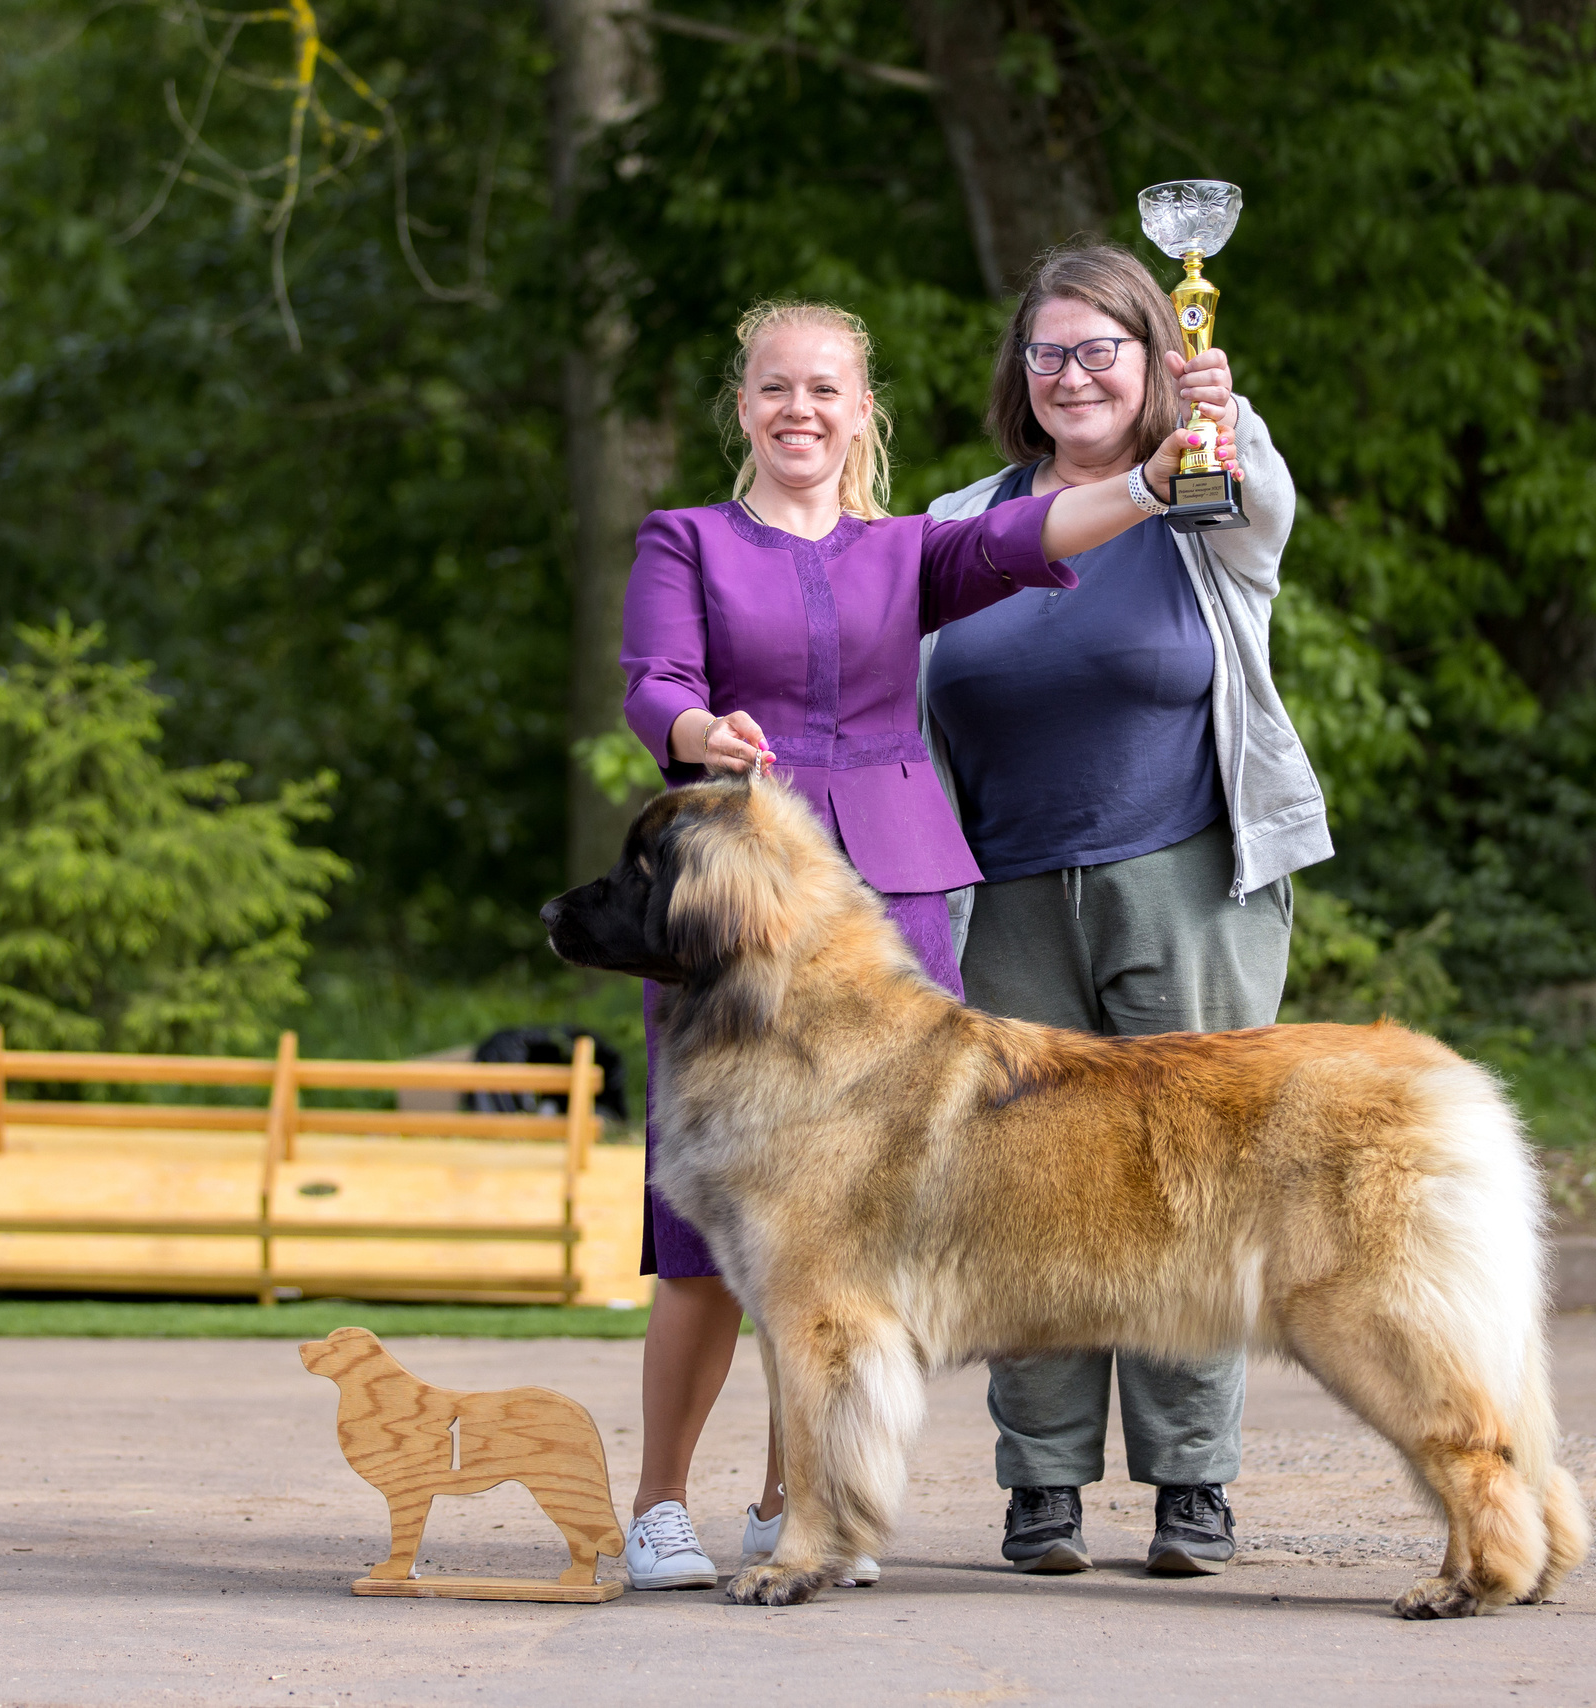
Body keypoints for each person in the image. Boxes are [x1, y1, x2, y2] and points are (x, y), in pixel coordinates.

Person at [614, 297, 1234, 1593]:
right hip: (734, 903)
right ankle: (659, 1506)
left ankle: (803, 1506)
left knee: (853, 1235)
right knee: (705, 1233)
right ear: (745, 408)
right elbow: (653, 683)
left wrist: (1151, 479)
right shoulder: (684, 540)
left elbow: (1028, 532)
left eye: (826, 390)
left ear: (862, 412)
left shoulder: (911, 549)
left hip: (891, 902)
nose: (800, 410)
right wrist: (698, 737)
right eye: (777, 388)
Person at [919, 243, 1330, 1577]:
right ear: (1020, 375)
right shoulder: (961, 518)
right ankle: (1041, 1484)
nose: (1076, 374)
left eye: (1105, 348)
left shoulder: (1202, 497)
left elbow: (1261, 500)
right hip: (1003, 902)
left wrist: (1227, 412)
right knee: (1019, 1194)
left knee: (1190, 1189)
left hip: (1189, 886)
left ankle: (1192, 1487)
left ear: (1157, 359)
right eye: (1051, 352)